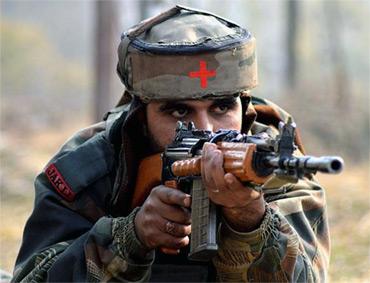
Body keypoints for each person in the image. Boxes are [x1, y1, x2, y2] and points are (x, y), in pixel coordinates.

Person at [12, 6, 329, 282]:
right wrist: (129, 238)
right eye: (179, 110)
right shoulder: (87, 170)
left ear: (243, 108)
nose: (206, 131)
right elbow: (34, 277)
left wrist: (249, 219)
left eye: (222, 107)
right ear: (140, 114)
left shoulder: (272, 164)